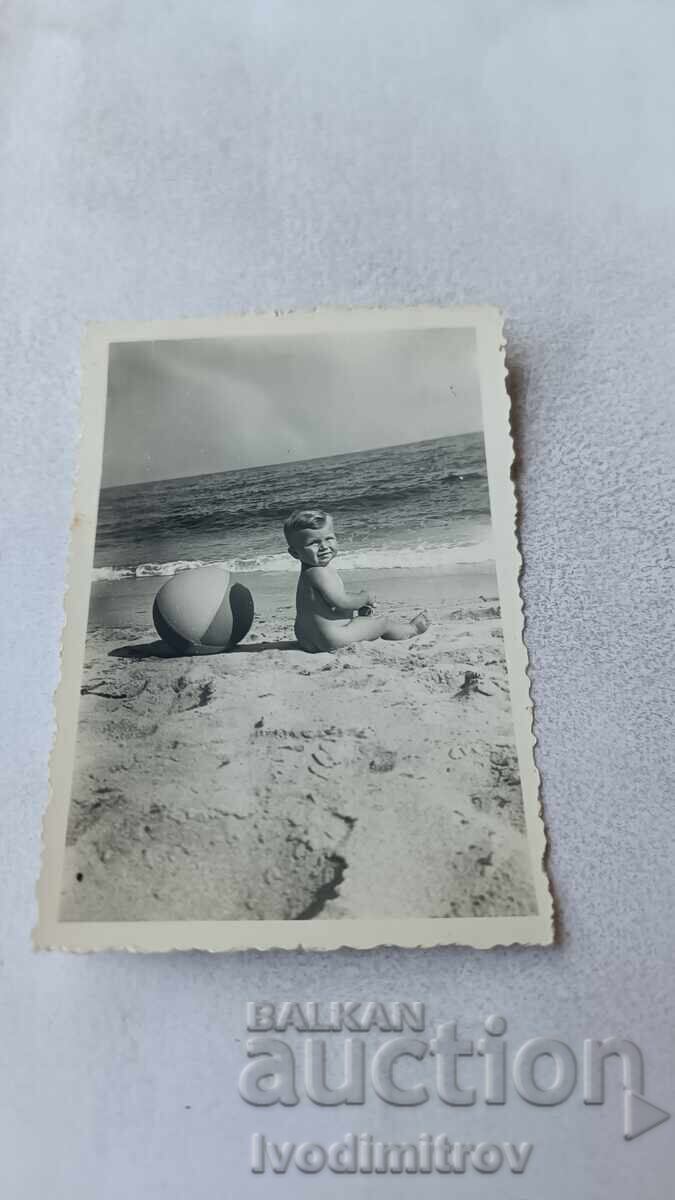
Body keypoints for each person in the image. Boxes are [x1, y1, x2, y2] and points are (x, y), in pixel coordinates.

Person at [283, 508, 430, 653]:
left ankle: (361, 621)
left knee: (361, 621)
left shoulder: (307, 573)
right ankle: (412, 629)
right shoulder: (320, 572)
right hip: (333, 638)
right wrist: (364, 597)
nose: (324, 546)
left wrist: (356, 607)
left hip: (307, 640)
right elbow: (343, 602)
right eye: (314, 543)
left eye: (328, 538)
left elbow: (329, 605)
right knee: (382, 622)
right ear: (295, 552)